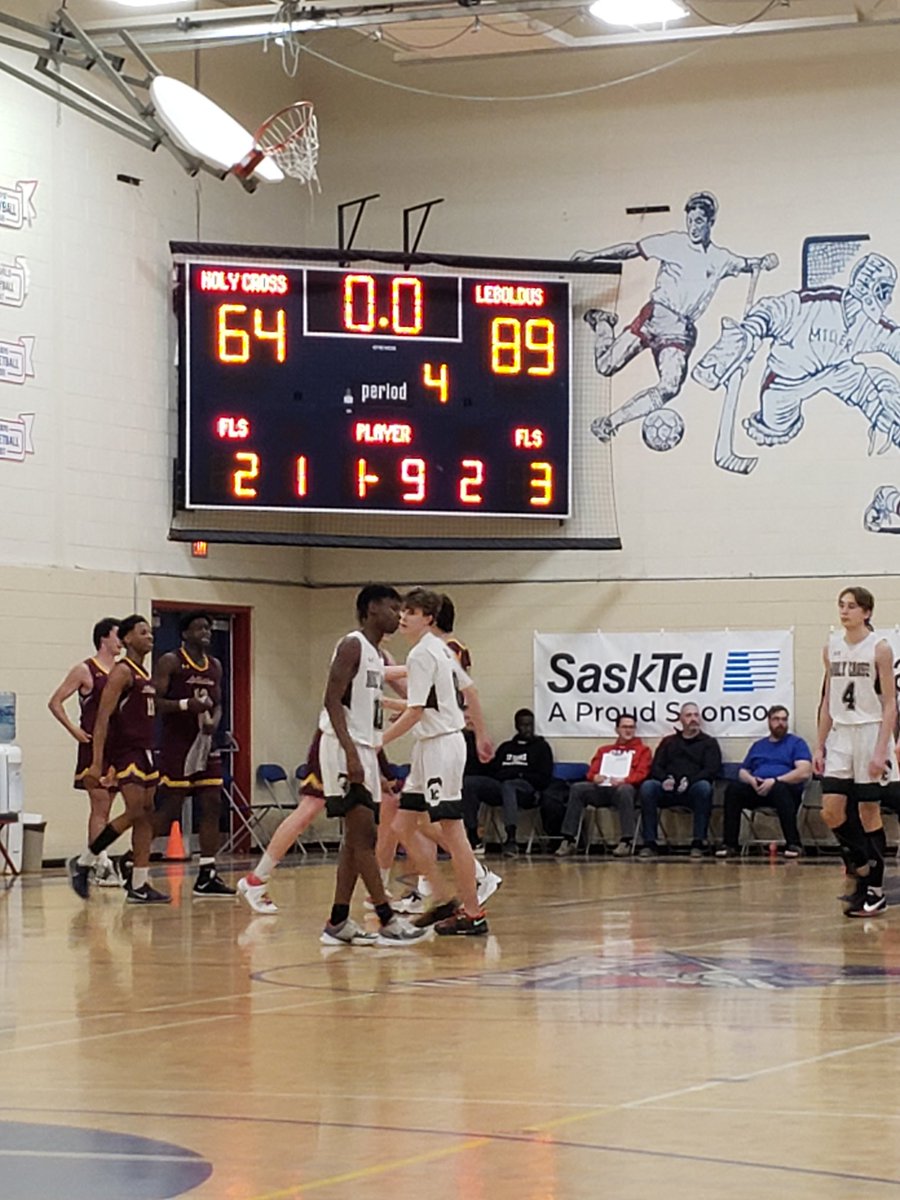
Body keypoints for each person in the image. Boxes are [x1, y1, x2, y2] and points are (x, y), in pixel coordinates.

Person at [572, 192, 777, 443]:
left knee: (670, 386)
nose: (693, 226)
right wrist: (594, 255)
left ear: (711, 222)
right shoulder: (673, 243)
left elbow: (747, 264)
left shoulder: (721, 258)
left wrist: (763, 262)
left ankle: (610, 423)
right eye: (690, 220)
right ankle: (603, 322)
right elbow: (630, 250)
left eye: (700, 221)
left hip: (680, 331)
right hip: (656, 316)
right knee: (605, 366)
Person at [317, 584, 427, 945]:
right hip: (341, 746)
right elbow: (332, 700)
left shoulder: (378, 655)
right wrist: (350, 752)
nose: (398, 614)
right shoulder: (352, 645)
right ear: (371, 609)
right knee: (363, 836)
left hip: (363, 746)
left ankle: (337, 921)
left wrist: (375, 757)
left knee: (355, 839)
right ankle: (386, 917)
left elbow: (373, 711)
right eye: (393, 607)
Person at [382, 588, 493, 936]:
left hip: (441, 745)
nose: (403, 616)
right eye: (402, 611)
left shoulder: (425, 654)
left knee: (452, 830)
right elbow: (467, 692)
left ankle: (474, 911)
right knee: (402, 825)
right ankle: (444, 897)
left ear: (429, 618)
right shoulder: (436, 651)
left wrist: (377, 742)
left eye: (412, 612)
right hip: (429, 745)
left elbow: (416, 712)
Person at [67, 614, 170, 904]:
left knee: (146, 814)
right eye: (142, 632)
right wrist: (97, 763)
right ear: (126, 639)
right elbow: (101, 720)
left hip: (148, 749)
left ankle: (139, 883)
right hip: (127, 752)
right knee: (135, 810)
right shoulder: (122, 672)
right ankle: (85, 861)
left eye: (150, 632)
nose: (149, 636)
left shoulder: (143, 673)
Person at [814, 586, 897, 917]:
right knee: (831, 811)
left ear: (866, 612)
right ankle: (861, 864)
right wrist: (819, 744)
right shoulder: (830, 647)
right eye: (841, 605)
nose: (844, 611)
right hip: (841, 734)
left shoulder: (880, 648)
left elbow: (891, 703)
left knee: (868, 812)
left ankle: (875, 892)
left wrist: (881, 750)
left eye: (851, 606)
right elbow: (826, 700)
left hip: (871, 730)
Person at [151, 612, 235, 898]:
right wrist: (187, 705)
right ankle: (132, 859)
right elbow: (156, 703)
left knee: (212, 803)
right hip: (178, 744)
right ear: (185, 633)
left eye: (209, 627)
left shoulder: (215, 665)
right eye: (199, 627)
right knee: (171, 808)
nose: (206, 632)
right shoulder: (171, 661)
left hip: (204, 743)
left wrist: (214, 719)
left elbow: (219, 703)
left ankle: (207, 873)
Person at [48, 617, 123, 887]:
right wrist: (73, 730)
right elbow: (55, 702)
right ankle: (100, 862)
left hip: (118, 748)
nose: (121, 641)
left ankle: (88, 862)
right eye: (118, 635)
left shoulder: (122, 670)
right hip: (94, 747)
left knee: (111, 807)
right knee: (100, 806)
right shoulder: (85, 669)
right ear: (104, 638)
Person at [716, 706, 812, 859]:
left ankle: (794, 843)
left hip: (785, 790)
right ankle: (730, 844)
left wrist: (774, 781)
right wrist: (752, 780)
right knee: (733, 789)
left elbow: (804, 771)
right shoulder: (758, 746)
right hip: (758, 788)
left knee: (779, 789)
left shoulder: (796, 743)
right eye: (776, 719)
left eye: (784, 719)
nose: (780, 723)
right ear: (769, 721)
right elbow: (743, 771)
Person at [555, 714, 652, 858]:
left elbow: (642, 773)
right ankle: (568, 839)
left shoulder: (643, 751)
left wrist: (625, 780)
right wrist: (594, 777)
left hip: (625, 790)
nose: (628, 730)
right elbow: (591, 772)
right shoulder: (604, 750)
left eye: (631, 727)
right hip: (603, 789)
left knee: (625, 790)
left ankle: (626, 840)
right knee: (578, 788)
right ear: (617, 729)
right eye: (624, 727)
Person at [462, 709, 553, 857]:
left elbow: (543, 778)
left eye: (530, 725)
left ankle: (511, 838)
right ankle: (472, 834)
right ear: (517, 726)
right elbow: (492, 771)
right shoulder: (506, 747)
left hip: (526, 790)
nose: (527, 729)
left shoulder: (541, 747)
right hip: (501, 786)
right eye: (523, 725)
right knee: (470, 782)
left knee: (509, 785)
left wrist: (519, 774)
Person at [638, 703, 722, 858]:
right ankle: (649, 843)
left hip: (693, 788)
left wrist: (690, 781)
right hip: (668, 788)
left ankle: (698, 842)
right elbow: (656, 766)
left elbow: (711, 769)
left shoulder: (709, 743)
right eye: (689, 715)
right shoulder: (669, 742)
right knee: (648, 787)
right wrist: (664, 779)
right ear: (680, 719)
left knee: (704, 787)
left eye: (696, 715)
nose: (693, 719)